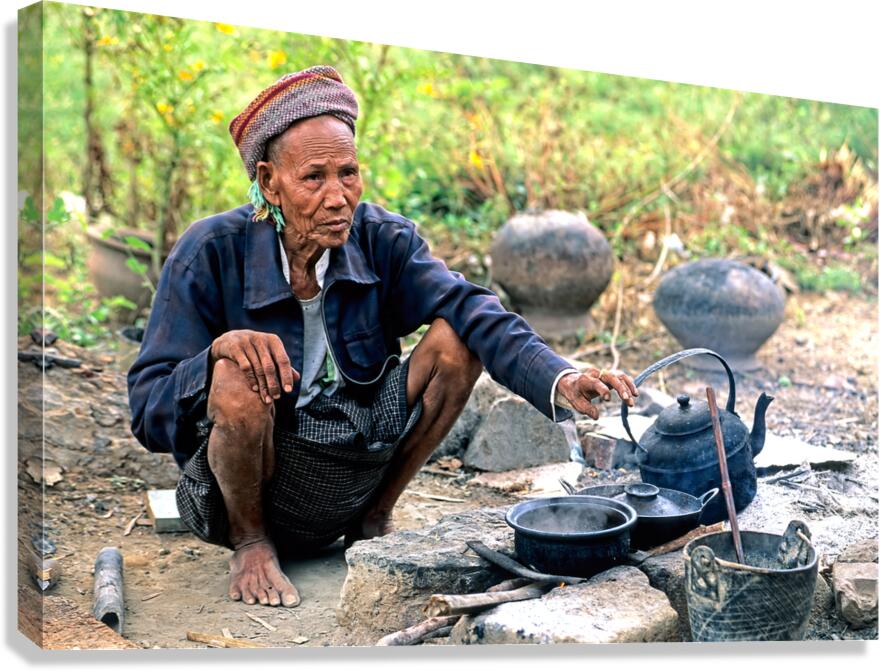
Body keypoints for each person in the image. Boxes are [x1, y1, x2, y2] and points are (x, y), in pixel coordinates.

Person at [127, 65, 637, 609]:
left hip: (355, 463)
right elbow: (147, 408)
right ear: (269, 181)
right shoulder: (209, 250)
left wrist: (558, 376)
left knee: (455, 340)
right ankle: (253, 546)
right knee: (236, 373)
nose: (337, 196)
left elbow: (472, 306)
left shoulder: (380, 237)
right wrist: (213, 358)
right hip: (255, 481)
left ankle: (374, 520)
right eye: (313, 178)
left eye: (348, 173)